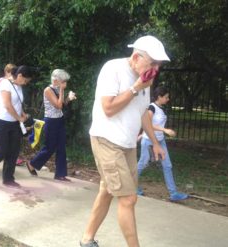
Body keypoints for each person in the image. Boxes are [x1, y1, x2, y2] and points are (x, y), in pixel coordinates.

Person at [80, 35, 169, 247]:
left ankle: (86, 239)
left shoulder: (146, 80)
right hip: (107, 141)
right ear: (137, 57)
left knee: (107, 191)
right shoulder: (113, 69)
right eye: (152, 63)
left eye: (159, 65)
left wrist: (155, 142)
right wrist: (135, 88)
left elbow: (143, 114)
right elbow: (108, 108)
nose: (155, 69)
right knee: (128, 199)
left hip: (128, 145)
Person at [0, 65, 34, 187]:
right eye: (25, 80)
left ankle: (8, 178)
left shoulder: (18, 86)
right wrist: (19, 118)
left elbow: (17, 104)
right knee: (1, 150)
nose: (25, 83)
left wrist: (23, 115)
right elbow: (8, 105)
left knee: (13, 151)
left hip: (14, 122)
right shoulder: (5, 84)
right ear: (20, 76)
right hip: (0, 121)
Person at [137, 86, 188, 201]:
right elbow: (147, 123)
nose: (168, 99)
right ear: (159, 97)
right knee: (143, 164)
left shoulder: (160, 108)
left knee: (167, 165)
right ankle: (131, 186)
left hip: (160, 141)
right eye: (166, 97)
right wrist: (165, 130)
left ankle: (173, 193)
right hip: (149, 140)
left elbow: (150, 124)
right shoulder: (152, 107)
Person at [26, 69, 76, 181]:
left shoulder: (58, 89)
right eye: (63, 82)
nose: (65, 84)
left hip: (60, 119)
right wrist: (62, 91)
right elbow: (58, 106)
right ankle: (32, 164)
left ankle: (60, 174)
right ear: (56, 80)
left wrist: (69, 98)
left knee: (61, 147)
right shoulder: (48, 90)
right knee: (49, 147)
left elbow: (62, 104)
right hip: (51, 121)